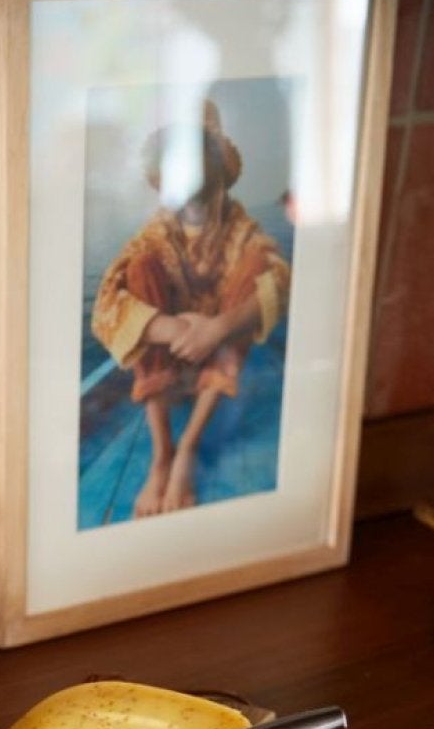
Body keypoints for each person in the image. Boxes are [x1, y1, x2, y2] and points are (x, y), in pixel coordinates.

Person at [90, 99, 291, 518]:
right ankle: (163, 452)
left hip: (215, 363)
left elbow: (280, 278)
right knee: (139, 270)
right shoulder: (158, 231)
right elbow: (107, 300)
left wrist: (217, 329)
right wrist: (173, 328)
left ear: (219, 170)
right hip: (170, 364)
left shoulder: (240, 228)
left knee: (258, 268)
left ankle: (188, 447)